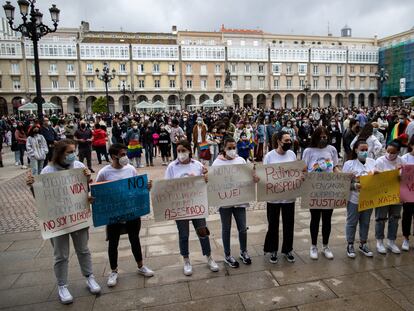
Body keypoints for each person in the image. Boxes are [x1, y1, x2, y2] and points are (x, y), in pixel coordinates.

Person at [26, 139, 101, 304]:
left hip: (78, 216)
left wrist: (88, 183)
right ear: (59, 154)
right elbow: (41, 198)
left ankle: (89, 277)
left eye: (73, 151)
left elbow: (85, 191)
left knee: (83, 249)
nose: (73, 155)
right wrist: (33, 187)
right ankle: (62, 285)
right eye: (69, 152)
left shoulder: (79, 167)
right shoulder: (47, 171)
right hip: (58, 219)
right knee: (61, 255)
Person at [95, 143, 154, 287]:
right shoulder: (104, 173)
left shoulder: (131, 169)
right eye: (122, 154)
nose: (125, 157)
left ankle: (140, 266)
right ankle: (113, 270)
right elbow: (98, 192)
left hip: (131, 211)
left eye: (125, 154)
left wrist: (146, 187)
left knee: (135, 238)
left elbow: (136, 187)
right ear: (113, 156)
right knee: (113, 242)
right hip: (114, 214)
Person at [165, 140, 219, 276]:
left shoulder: (198, 165)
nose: (181, 153)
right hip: (180, 207)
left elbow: (206, 182)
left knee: (203, 232)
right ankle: (186, 260)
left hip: (196, 206)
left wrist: (206, 177)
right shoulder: (172, 167)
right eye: (178, 151)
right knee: (183, 235)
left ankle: (209, 257)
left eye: (183, 150)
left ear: (189, 150)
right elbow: (166, 186)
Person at [212, 137, 255, 268]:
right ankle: (227, 255)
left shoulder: (241, 160)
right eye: (229, 148)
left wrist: (253, 173)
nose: (232, 150)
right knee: (226, 228)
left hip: (239, 200)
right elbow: (214, 182)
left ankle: (244, 251)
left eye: (233, 147)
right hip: (225, 202)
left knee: (243, 228)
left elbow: (248, 175)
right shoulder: (217, 163)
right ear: (224, 149)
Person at [303, 126, 340, 260]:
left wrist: (343, 178)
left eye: (325, 137)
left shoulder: (332, 149)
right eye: (321, 136)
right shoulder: (308, 151)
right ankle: (313, 246)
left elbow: (335, 166)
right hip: (314, 190)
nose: (323, 139)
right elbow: (305, 169)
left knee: (327, 219)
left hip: (329, 189)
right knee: (315, 218)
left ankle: (325, 246)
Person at [263, 131, 300, 264]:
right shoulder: (269, 156)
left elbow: (295, 172)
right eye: (286, 141)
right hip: (273, 198)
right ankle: (273, 249)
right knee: (273, 224)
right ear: (279, 141)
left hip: (289, 197)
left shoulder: (292, 154)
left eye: (290, 140)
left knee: (289, 224)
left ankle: (287, 249)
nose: (289, 143)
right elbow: (265, 175)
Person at [343, 139, 376, 258]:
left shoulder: (372, 162)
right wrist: (354, 185)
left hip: (369, 199)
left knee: (365, 222)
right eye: (362, 150)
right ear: (356, 150)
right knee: (352, 222)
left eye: (366, 150)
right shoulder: (349, 164)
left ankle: (363, 243)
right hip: (354, 199)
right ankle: (350, 244)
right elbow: (343, 183)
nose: (365, 152)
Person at [374, 138, 404, 254]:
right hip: (383, 195)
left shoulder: (401, 161)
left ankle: (391, 241)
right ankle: (379, 241)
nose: (390, 154)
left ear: (398, 152)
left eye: (393, 152)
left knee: (395, 218)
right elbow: (376, 179)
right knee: (380, 218)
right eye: (388, 151)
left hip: (396, 195)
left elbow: (405, 178)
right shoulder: (380, 161)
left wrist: (401, 176)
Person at [401, 135, 414, 251]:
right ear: (411, 145)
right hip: (408, 193)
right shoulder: (405, 158)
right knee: (407, 215)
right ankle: (406, 238)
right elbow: (401, 176)